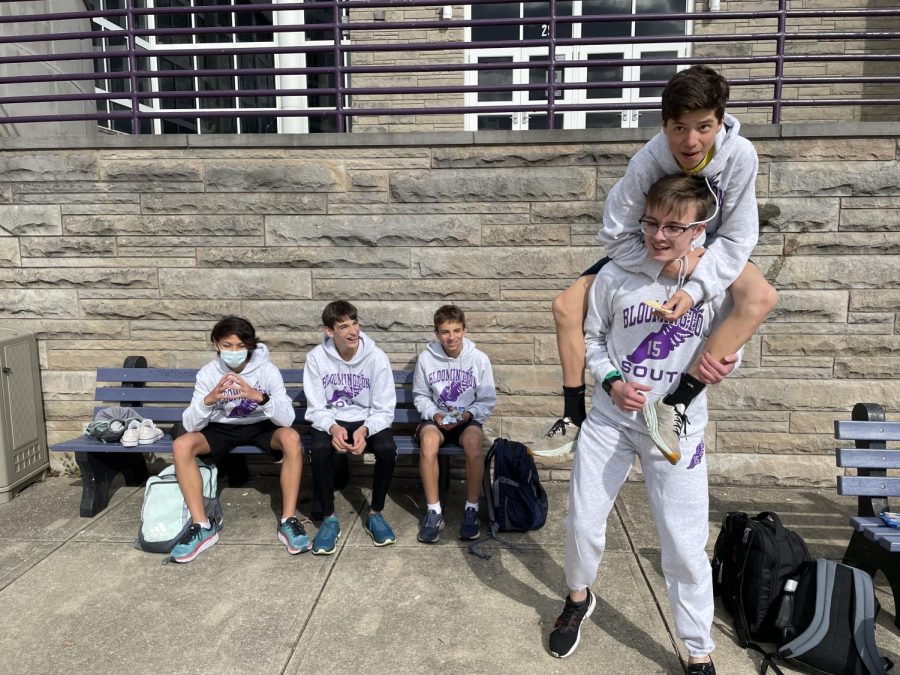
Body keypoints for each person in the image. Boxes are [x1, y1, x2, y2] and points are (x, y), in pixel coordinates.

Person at [548, 175, 740, 674]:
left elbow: (729, 346)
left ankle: (699, 651)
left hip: (676, 424)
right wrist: (611, 380)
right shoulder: (615, 274)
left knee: (682, 543)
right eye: (651, 223)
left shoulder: (713, 282)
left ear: (698, 230)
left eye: (673, 227)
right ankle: (577, 598)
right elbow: (590, 340)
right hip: (612, 419)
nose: (658, 236)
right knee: (583, 522)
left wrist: (727, 362)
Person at [534, 65, 777, 456]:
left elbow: (738, 235)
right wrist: (665, 266)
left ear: (720, 122)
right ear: (664, 126)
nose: (691, 140)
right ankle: (573, 414)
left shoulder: (740, 155)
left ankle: (678, 400)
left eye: (703, 126)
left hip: (708, 250)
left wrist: (696, 287)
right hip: (658, 247)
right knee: (565, 306)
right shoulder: (648, 160)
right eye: (680, 127)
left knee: (761, 297)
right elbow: (615, 233)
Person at [170, 315, 307, 563]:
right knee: (182, 445)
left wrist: (260, 398)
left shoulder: (267, 370)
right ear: (216, 345)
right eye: (227, 345)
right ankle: (202, 525)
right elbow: (190, 424)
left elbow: (287, 419)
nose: (234, 351)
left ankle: (288, 520)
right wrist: (208, 400)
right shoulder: (208, 373)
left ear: (250, 346)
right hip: (222, 428)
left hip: (261, 426)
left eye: (241, 346)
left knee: (291, 438)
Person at [303, 300, 398, 554]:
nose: (352, 331)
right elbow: (316, 408)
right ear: (329, 331)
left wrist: (366, 429)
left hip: (367, 418)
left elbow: (384, 408)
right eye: (343, 326)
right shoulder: (315, 358)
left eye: (355, 323)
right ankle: (329, 518)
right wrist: (332, 428)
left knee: (388, 448)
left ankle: (375, 513)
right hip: (332, 418)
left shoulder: (376, 357)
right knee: (320, 448)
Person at [413, 305, 496, 543]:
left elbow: (487, 400)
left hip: (465, 419)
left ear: (465, 330)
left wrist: (468, 415)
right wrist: (435, 415)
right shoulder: (426, 358)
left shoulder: (479, 359)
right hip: (436, 419)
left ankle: (471, 509)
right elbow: (420, 395)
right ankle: (434, 511)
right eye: (445, 332)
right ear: (437, 333)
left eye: (456, 330)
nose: (451, 337)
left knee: (473, 443)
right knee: (428, 443)